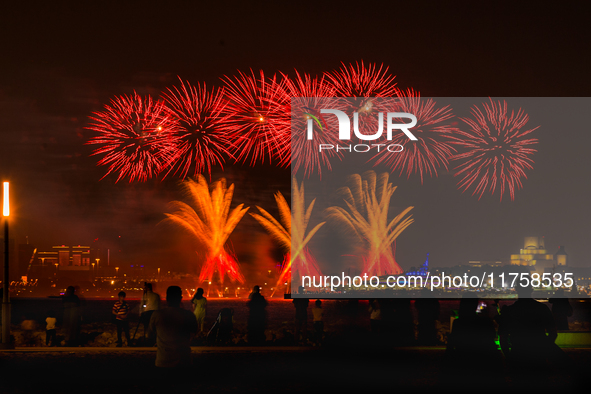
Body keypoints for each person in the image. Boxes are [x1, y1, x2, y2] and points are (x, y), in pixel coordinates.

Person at [499, 281, 558, 384]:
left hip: (518, 356)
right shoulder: (542, 309)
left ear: (517, 290)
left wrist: (509, 357)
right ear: (531, 289)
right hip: (538, 357)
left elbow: (503, 337)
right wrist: (545, 350)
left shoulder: (509, 311)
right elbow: (553, 333)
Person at [149, 286, 198, 368]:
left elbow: (150, 334)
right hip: (183, 360)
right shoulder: (188, 315)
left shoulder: (157, 314)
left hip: (163, 360)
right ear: (180, 298)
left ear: (167, 298)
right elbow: (194, 331)